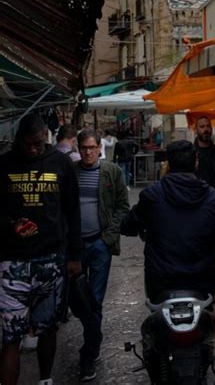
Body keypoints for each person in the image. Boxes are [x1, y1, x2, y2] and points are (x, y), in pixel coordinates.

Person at [0, 113, 82, 385]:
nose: (33, 149)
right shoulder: (4, 164)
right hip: (12, 263)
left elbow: (73, 211)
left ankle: (45, 380)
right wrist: (11, 225)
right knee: (11, 336)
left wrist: (75, 256)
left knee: (48, 328)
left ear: (46, 136)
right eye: (27, 144)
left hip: (52, 260)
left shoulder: (61, 163)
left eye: (37, 143)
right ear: (18, 141)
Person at [121, 140, 215, 302]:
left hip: (162, 281)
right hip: (202, 281)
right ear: (196, 162)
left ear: (168, 164)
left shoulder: (152, 196)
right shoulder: (214, 198)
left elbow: (128, 225)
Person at [74, 129, 129, 381]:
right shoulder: (70, 173)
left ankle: (89, 352)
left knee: (94, 300)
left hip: (99, 245)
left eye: (92, 147)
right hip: (74, 248)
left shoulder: (111, 172)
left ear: (99, 148)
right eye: (83, 148)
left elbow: (122, 207)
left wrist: (107, 239)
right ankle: (94, 336)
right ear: (78, 149)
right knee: (76, 301)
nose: (88, 152)